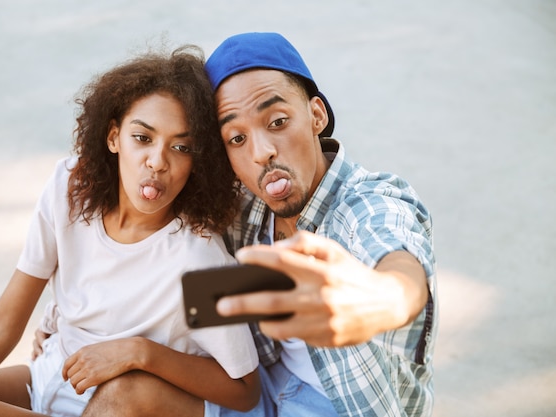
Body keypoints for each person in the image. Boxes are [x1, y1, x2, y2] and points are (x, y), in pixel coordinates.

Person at [34, 32, 438, 417]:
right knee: (123, 392)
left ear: (316, 115)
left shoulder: (367, 203)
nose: (262, 152)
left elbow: (400, 269)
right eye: (236, 138)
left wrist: (377, 301)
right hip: (260, 386)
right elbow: (145, 249)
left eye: (277, 122)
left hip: (334, 405)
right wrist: (67, 319)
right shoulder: (242, 203)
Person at [0, 45, 260, 417]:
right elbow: (1, 324)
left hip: (129, 406)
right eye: (142, 138)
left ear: (197, 161)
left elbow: (245, 390)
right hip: (51, 380)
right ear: (113, 137)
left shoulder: (200, 259)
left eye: (181, 147)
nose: (157, 161)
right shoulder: (69, 190)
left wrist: (142, 353)